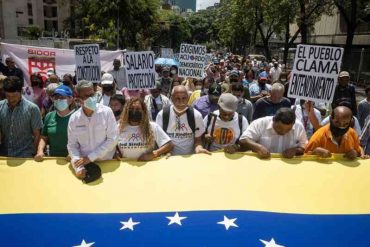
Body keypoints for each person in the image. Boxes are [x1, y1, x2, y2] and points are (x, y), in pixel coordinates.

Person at [67, 80, 118, 180]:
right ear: (78, 100)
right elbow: (72, 146)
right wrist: (78, 168)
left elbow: (113, 140)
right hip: (86, 167)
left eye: (92, 94)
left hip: (108, 164)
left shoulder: (106, 112)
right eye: (86, 96)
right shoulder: (74, 118)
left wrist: (90, 158)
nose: (91, 98)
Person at [156, 85, 209, 155]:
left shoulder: (196, 115)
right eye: (177, 98)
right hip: (168, 158)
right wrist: (165, 152)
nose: (181, 102)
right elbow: (160, 140)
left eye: (184, 98)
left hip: (189, 159)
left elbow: (198, 140)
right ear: (172, 98)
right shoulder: (162, 115)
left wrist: (199, 149)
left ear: (188, 98)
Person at [239, 108, 307, 159]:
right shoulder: (260, 123)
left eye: (288, 130)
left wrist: (295, 150)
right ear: (274, 120)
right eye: (279, 128)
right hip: (263, 163)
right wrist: (258, 147)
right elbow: (243, 139)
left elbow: (304, 146)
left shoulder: (299, 126)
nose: (283, 132)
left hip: (287, 165)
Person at [0, 76, 42, 157]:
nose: (11, 99)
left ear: (21, 91)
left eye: (14, 96)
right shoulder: (0, 106)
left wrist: (33, 152)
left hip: (25, 155)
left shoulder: (32, 109)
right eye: (8, 96)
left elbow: (37, 134)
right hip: (4, 155)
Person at [34, 85, 75, 161]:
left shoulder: (77, 117)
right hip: (53, 160)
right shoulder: (49, 116)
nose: (59, 100)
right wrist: (40, 151)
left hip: (73, 160)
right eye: (56, 97)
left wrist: (74, 154)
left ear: (70, 99)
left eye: (62, 97)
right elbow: (43, 137)